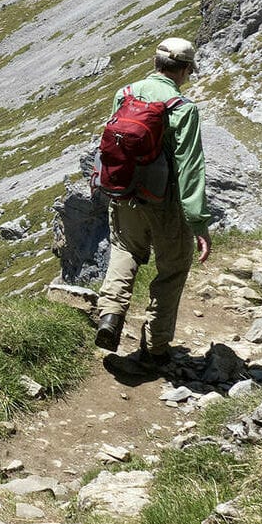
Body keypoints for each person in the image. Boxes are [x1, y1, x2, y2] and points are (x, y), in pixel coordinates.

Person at [94, 35, 210, 370]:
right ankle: (157, 345)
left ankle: (110, 317)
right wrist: (198, 221)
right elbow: (190, 166)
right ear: (185, 70)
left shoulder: (125, 94)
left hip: (124, 193)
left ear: (155, 62)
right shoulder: (183, 109)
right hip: (164, 202)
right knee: (172, 268)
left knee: (125, 251)